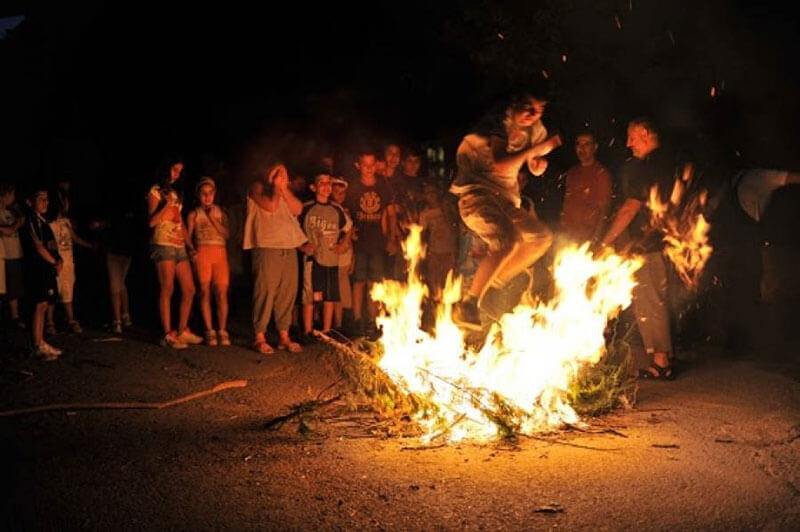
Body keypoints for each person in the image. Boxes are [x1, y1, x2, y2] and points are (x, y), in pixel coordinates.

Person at [449, 91, 562, 329]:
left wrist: (538, 164)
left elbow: (533, 164)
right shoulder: (498, 123)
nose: (533, 116)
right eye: (529, 108)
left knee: (540, 238)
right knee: (507, 241)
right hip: (477, 195)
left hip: (506, 199)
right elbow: (501, 164)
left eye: (539, 111)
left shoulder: (535, 130)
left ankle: (491, 282)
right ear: (515, 104)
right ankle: (468, 304)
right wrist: (535, 150)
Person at [601, 117, 677, 379]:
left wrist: (606, 240)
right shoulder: (664, 162)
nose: (627, 143)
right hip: (660, 242)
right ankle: (662, 357)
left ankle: (661, 362)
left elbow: (631, 207)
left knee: (649, 299)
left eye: (631, 136)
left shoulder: (649, 166)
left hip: (650, 244)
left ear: (645, 133)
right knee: (651, 297)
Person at [243, 162, 310, 354]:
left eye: (284, 174)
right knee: (265, 291)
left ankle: (283, 336)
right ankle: (259, 336)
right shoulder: (257, 188)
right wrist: (275, 187)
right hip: (266, 247)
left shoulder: (283, 192)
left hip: (288, 248)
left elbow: (297, 209)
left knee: (287, 293)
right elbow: (270, 206)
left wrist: (284, 188)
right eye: (278, 174)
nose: (282, 178)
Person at [146, 157, 201, 349]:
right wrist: (167, 207)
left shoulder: (176, 194)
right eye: (174, 169)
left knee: (189, 289)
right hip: (163, 243)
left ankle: (182, 329)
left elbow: (181, 223)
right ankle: (167, 334)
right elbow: (152, 222)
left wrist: (190, 246)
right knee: (167, 288)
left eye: (179, 171)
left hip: (178, 245)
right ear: (166, 169)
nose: (176, 174)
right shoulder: (155, 191)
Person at [344, 150, 398, 337]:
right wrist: (349, 235)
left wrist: (391, 238)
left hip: (377, 243)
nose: (368, 168)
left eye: (371, 164)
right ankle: (357, 320)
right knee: (358, 281)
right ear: (358, 165)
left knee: (374, 283)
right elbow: (346, 213)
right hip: (359, 243)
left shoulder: (384, 186)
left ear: (376, 165)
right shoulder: (353, 187)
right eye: (364, 164)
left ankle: (372, 322)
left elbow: (391, 214)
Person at [299, 173, 350, 339]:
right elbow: (291, 229)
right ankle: (308, 330)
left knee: (329, 296)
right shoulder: (305, 208)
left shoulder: (337, 209)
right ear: (313, 187)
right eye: (322, 183)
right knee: (310, 296)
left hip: (331, 260)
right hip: (313, 260)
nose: (326, 186)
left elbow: (348, 228)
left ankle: (327, 331)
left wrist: (343, 245)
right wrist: (302, 246)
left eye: (329, 183)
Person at [186, 177, 231, 347]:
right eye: (203, 193)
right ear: (198, 195)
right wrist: (191, 251)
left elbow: (226, 234)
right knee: (204, 292)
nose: (207, 197)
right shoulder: (194, 214)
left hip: (220, 253)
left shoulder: (220, 212)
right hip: (203, 252)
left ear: (214, 194)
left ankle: (222, 330)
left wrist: (211, 218)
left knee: (221, 292)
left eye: (210, 193)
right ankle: (209, 330)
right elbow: (188, 236)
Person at [19, 186, 62, 360]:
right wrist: (54, 261)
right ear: (30, 201)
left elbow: (51, 246)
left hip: (47, 269)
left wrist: (59, 261)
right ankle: (37, 344)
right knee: (39, 304)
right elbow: (38, 246)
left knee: (44, 304)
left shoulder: (43, 222)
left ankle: (41, 341)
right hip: (36, 269)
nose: (45, 202)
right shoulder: (29, 220)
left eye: (47, 199)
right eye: (41, 199)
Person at [46, 194, 93, 334]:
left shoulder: (66, 221)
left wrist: (90, 245)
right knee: (53, 291)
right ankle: (49, 322)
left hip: (68, 262)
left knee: (68, 291)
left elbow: (74, 238)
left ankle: (71, 319)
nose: (68, 204)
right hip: (56, 263)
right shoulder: (49, 223)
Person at [559, 132, 613, 243]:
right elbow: (567, 202)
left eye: (586, 144)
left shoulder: (601, 173)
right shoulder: (572, 172)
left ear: (595, 147)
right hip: (569, 235)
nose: (581, 148)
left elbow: (604, 208)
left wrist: (596, 238)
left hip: (588, 236)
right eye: (579, 144)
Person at [419, 182, 458, 301]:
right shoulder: (425, 214)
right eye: (427, 193)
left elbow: (455, 225)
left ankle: (447, 303)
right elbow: (422, 232)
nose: (430, 195)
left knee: (447, 278)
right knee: (434, 277)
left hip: (449, 249)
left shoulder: (446, 208)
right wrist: (422, 248)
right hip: (434, 249)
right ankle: (435, 301)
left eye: (432, 192)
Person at [0, 182, 26, 328]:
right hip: (4, 254)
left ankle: (14, 316)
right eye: (12, 194)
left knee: (14, 287)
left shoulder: (12, 211)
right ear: (6, 195)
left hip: (15, 253)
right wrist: (17, 224)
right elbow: (7, 230)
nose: (14, 198)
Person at [331, 177, 355, 331]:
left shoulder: (345, 213)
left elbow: (350, 235)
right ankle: (328, 323)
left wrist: (353, 257)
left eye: (342, 193)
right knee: (331, 292)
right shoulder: (329, 211)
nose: (339, 196)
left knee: (340, 293)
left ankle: (338, 324)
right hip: (331, 258)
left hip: (344, 259)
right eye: (336, 192)